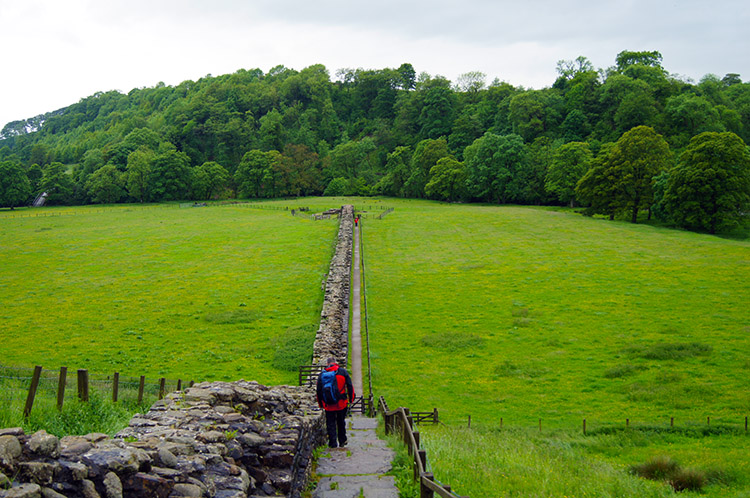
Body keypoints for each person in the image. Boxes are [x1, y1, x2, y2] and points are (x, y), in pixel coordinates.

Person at [316, 357, 354, 448]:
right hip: (341, 403)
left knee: (330, 423)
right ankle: (342, 440)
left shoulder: (322, 374)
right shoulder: (342, 372)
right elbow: (349, 386)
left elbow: (319, 390)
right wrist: (351, 399)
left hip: (328, 404)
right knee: (341, 421)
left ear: (327, 363)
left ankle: (332, 443)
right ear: (335, 363)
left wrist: (321, 404)